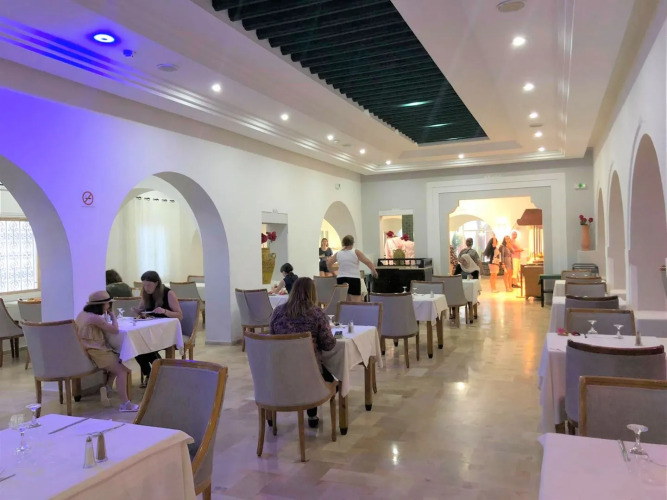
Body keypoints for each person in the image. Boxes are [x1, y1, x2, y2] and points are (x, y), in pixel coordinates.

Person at [270, 277, 336, 428]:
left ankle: (270, 415)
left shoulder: (278, 312)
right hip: (308, 371)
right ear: (312, 292)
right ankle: (312, 414)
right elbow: (328, 345)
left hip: (282, 369)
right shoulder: (316, 314)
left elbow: (272, 339)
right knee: (328, 376)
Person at [75, 290, 139, 412]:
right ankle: (125, 403)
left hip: (87, 348)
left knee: (120, 359)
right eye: (108, 303)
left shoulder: (82, 314)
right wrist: (113, 316)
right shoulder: (94, 318)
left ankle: (108, 387)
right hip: (96, 351)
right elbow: (115, 330)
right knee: (123, 370)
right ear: (102, 305)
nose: (109, 306)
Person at [135, 270, 183, 384]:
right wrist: (139, 312)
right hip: (152, 330)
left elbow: (179, 315)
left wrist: (164, 311)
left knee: (141, 345)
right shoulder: (146, 294)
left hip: (167, 330)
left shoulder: (168, 293)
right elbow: (142, 309)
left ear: (156, 283)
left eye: (148, 285)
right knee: (136, 344)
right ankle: (152, 373)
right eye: (144, 285)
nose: (146, 288)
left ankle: (155, 373)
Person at [327, 235, 378, 302]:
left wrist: (333, 273)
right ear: (352, 243)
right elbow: (367, 262)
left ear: (343, 243)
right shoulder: (355, 252)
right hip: (353, 278)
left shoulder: (338, 253)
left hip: (341, 279)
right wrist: (374, 271)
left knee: (344, 302)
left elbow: (328, 263)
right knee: (355, 303)